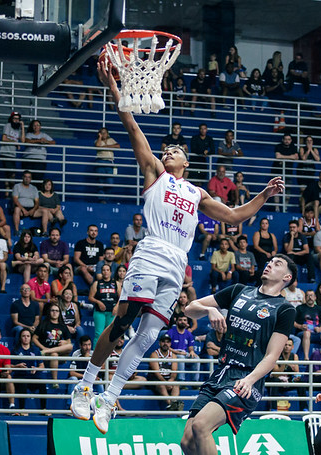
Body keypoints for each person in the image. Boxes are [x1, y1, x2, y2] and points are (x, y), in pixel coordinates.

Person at [69, 59, 283, 433]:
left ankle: (109, 396)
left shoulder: (197, 191)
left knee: (150, 334)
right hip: (151, 251)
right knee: (125, 320)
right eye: (165, 149)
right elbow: (131, 124)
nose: (167, 152)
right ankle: (85, 383)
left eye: (174, 151)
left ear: (187, 161)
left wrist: (264, 195)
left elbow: (234, 217)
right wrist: (112, 87)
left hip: (176, 264)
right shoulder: (154, 172)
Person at [177, 254, 295, 455]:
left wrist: (251, 379)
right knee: (186, 440)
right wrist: (209, 310)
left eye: (278, 264)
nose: (270, 264)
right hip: (220, 374)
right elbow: (189, 308)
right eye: (270, 261)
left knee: (202, 426)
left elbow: (272, 356)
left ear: (287, 278)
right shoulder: (239, 291)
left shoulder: (285, 310)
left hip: (246, 380)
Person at [33, 302, 73, 386]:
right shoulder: (44, 324)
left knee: (70, 346)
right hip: (47, 355)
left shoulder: (63, 326)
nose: (54, 312)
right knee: (54, 354)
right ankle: (55, 381)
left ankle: (49, 351)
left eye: (57, 311)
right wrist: (43, 348)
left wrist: (65, 342)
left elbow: (69, 342)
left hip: (59, 353)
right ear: (49, 312)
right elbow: (34, 338)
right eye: (52, 310)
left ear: (59, 313)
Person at [12, 327, 47, 415]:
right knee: (22, 383)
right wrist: (17, 366)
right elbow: (9, 366)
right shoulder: (15, 350)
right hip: (20, 376)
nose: (26, 338)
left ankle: (43, 409)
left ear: (30, 337)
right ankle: (22, 409)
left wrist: (36, 369)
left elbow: (42, 365)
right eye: (24, 336)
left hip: (33, 376)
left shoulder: (35, 350)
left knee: (42, 384)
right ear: (20, 337)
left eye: (28, 336)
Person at [149, 333, 181, 410]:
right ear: (159, 343)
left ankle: (173, 403)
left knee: (176, 385)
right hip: (157, 379)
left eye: (167, 342)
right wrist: (165, 382)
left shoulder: (173, 355)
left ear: (170, 344)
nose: (165, 344)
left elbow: (174, 371)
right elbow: (156, 373)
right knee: (161, 385)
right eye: (163, 341)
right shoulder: (154, 354)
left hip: (168, 379)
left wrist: (171, 380)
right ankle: (171, 404)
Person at [294, 290, 321, 358]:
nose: (310, 297)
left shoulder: (319, 309)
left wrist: (320, 329)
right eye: (308, 296)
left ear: (315, 297)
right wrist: (300, 326)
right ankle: (306, 357)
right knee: (307, 333)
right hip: (302, 333)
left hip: (316, 333)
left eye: (312, 295)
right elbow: (293, 322)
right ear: (305, 298)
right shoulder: (300, 308)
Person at [0, 111, 25, 181]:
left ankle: (8, 191)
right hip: (5, 153)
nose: (16, 120)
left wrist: (22, 127)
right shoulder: (8, 125)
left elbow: (23, 141)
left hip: (12, 155)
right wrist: (15, 143)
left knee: (8, 175)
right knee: (12, 174)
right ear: (11, 119)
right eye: (14, 118)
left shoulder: (18, 129)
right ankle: (10, 190)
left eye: (18, 119)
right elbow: (4, 138)